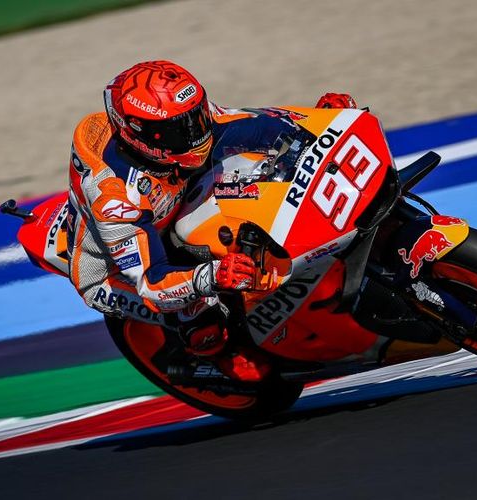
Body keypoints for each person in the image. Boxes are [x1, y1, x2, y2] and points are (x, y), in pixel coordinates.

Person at [66, 60, 356, 381]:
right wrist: (213, 275)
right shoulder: (116, 198)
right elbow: (151, 282)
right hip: (116, 273)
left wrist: (317, 127)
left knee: (251, 172)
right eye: (181, 128)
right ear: (138, 134)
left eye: (196, 116)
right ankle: (216, 354)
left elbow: (249, 125)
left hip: (171, 204)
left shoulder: (178, 125)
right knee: (201, 307)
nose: (196, 133)